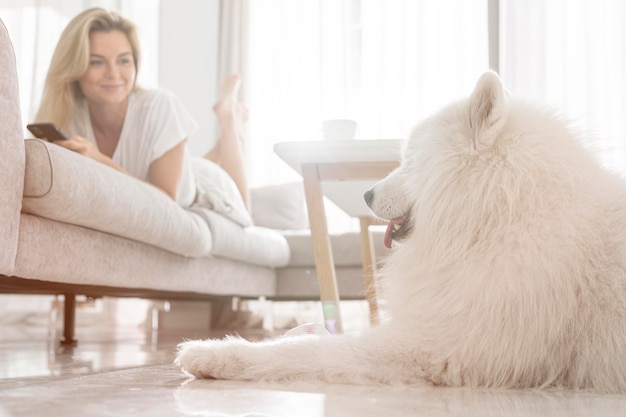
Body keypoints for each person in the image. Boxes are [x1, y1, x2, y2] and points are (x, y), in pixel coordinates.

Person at [34, 7, 251, 219]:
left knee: (247, 216)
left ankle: (229, 120)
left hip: (203, 190)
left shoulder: (160, 106)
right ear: (75, 67)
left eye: (124, 60)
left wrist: (100, 162)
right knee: (190, 167)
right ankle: (218, 148)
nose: (113, 73)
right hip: (180, 173)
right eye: (96, 62)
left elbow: (167, 203)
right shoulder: (69, 116)